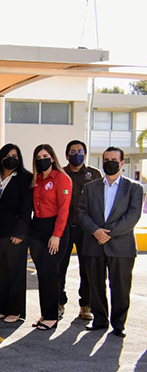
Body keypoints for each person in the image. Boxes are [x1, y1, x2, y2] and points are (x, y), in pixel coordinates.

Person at [78, 146, 144, 337]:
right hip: (94, 244)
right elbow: (82, 213)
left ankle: (119, 324)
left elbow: (133, 216)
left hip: (121, 247)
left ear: (122, 163)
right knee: (96, 286)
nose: (110, 163)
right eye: (106, 160)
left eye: (114, 160)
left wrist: (107, 233)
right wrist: (95, 231)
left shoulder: (134, 188)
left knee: (121, 287)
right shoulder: (90, 187)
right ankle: (99, 320)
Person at [29, 144, 72, 331]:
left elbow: (64, 210)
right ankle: (45, 313)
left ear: (53, 158)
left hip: (55, 229)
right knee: (42, 274)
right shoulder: (36, 180)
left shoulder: (62, 179)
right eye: (38, 157)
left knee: (50, 272)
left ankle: (52, 316)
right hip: (37, 227)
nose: (42, 159)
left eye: (45, 156)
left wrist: (56, 235)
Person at [57, 140, 101, 321]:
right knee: (59, 267)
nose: (77, 154)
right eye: (73, 151)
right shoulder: (60, 174)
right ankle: (58, 303)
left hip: (86, 229)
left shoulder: (94, 174)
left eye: (80, 151)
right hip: (64, 227)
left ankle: (86, 305)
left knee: (87, 269)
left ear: (85, 153)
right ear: (67, 155)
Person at [0, 143, 32, 323]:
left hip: (15, 233)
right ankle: (2, 307)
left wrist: (20, 232)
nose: (10, 158)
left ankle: (15, 310)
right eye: (7, 155)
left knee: (15, 272)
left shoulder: (25, 178)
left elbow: (26, 208)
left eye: (14, 155)